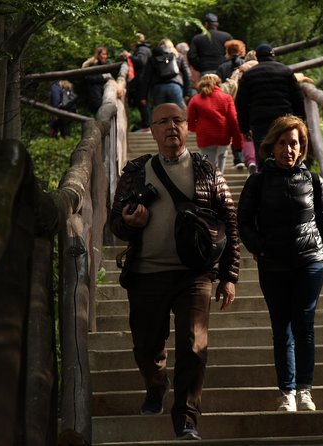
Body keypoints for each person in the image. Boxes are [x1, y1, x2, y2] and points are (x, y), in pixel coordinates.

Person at [110, 103, 240, 441]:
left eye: (178, 120)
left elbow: (229, 225)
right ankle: (156, 386)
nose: (171, 126)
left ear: (188, 127)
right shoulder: (136, 171)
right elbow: (114, 225)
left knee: (193, 345)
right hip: (146, 273)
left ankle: (186, 416)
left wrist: (229, 276)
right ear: (151, 130)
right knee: (146, 345)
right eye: (163, 121)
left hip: (194, 274)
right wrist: (128, 222)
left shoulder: (207, 170)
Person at [237, 115, 323, 412]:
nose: (288, 149)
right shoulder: (257, 181)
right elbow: (243, 221)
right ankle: (287, 392)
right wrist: (260, 247)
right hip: (273, 264)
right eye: (282, 143)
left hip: (310, 261)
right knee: (281, 328)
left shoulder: (313, 180)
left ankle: (305, 390)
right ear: (272, 146)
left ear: (302, 146)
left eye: (294, 143)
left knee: (304, 326)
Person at [235, 43, 305, 169]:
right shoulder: (286, 71)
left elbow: (241, 104)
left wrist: (244, 128)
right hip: (284, 120)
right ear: (273, 56)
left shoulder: (249, 75)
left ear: (257, 57)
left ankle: (266, 183)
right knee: (286, 150)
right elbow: (298, 99)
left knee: (263, 155)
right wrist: (301, 121)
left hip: (260, 122)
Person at [186, 74, 243, 173]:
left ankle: (212, 184)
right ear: (218, 83)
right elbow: (233, 120)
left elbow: (190, 121)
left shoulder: (195, 99)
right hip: (223, 136)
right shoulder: (226, 98)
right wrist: (238, 142)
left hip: (205, 136)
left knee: (209, 165)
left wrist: (196, 129)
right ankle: (220, 182)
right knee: (221, 160)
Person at [142, 39, 194, 112]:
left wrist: (143, 96)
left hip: (158, 89)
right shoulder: (178, 56)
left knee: (160, 115)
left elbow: (146, 77)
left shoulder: (153, 57)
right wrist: (187, 93)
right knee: (179, 114)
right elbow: (187, 75)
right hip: (175, 87)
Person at [125, 33, 152, 130]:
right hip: (143, 79)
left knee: (143, 102)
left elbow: (141, 61)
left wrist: (129, 56)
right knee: (142, 102)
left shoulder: (142, 49)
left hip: (143, 80)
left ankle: (147, 126)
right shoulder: (143, 49)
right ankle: (146, 125)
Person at [82, 46, 112, 114]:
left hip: (103, 95)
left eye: (106, 54)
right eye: (103, 54)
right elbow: (88, 78)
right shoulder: (92, 65)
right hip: (96, 98)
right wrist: (102, 77)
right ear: (98, 55)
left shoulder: (105, 65)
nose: (105, 56)